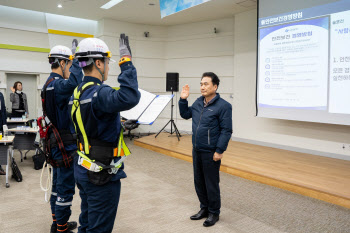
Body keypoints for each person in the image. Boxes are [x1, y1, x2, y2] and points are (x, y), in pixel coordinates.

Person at [69, 34, 140, 233]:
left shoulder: (77, 93)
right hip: (101, 175)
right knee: (99, 228)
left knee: (87, 223)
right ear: (98, 63)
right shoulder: (99, 93)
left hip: (83, 169)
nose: (109, 67)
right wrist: (126, 63)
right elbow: (130, 96)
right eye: (108, 62)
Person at [179, 72, 232, 227]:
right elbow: (186, 114)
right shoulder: (198, 102)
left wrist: (220, 150)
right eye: (201, 84)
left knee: (211, 183)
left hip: (211, 151)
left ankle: (214, 212)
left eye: (206, 84)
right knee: (199, 181)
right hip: (197, 149)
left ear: (215, 86)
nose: (202, 87)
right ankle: (204, 208)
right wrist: (183, 99)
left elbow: (226, 130)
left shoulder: (224, 106)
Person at [42, 39, 83, 233]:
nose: (70, 68)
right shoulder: (57, 85)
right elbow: (75, 81)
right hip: (63, 144)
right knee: (65, 188)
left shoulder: (48, 84)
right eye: (69, 63)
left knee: (57, 186)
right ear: (61, 63)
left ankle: (57, 222)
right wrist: (76, 59)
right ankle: (61, 228)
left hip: (55, 143)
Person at [0, 91, 7, 175]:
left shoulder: (1, 94)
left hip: (0, 124)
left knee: (1, 146)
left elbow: (3, 109)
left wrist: (5, 124)